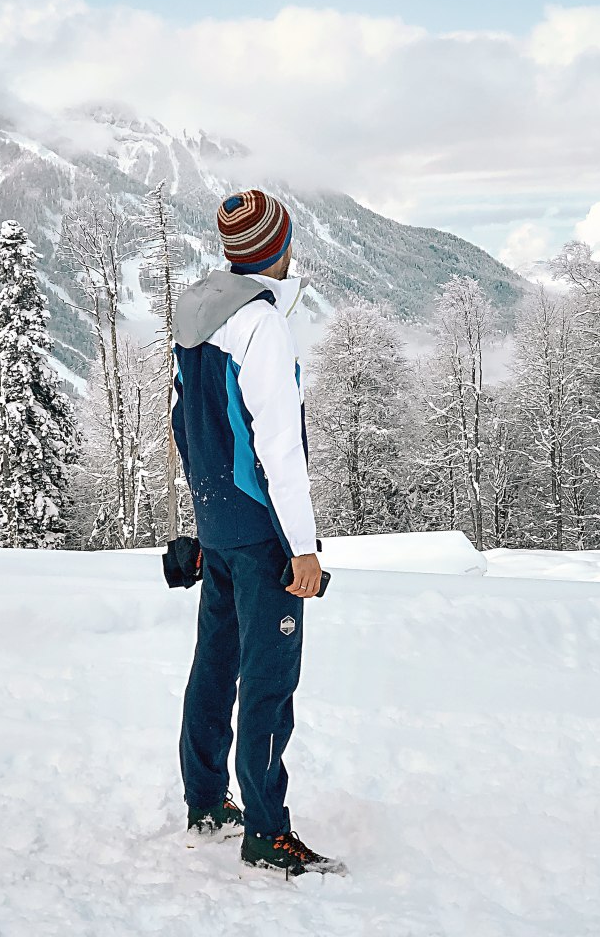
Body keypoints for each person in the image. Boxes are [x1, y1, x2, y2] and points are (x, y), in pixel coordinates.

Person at [171, 189, 342, 877]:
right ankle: (268, 834)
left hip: (218, 524)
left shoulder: (197, 318)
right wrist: (302, 547)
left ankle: (207, 801)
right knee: (268, 682)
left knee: (215, 665)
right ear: (280, 247)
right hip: (261, 530)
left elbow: (185, 425)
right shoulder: (260, 325)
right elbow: (278, 446)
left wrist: (203, 515)